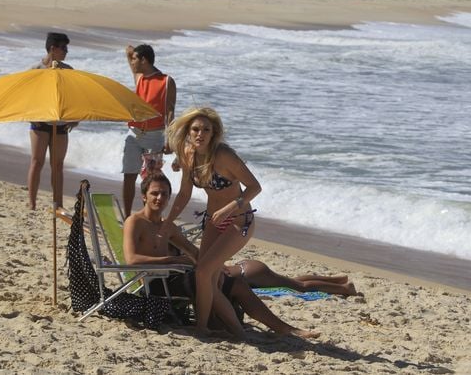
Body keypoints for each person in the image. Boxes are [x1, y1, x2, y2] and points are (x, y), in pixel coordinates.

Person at [123, 173, 319, 340]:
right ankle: (239, 332)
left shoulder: (168, 226)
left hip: (176, 276)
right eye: (154, 193)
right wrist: (173, 260)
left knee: (236, 283)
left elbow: (194, 252)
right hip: (156, 284)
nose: (159, 198)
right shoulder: (135, 222)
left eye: (164, 194)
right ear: (143, 197)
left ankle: (284, 328)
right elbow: (131, 260)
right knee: (207, 280)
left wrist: (215, 264)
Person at [159, 107, 262, 336]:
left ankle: (206, 328)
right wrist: (169, 221)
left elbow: (255, 187)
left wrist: (230, 207)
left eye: (206, 129)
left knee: (204, 272)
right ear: (188, 131)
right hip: (213, 221)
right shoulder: (188, 154)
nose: (200, 134)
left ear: (213, 133)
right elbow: (184, 193)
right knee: (206, 275)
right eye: (195, 129)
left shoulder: (224, 155)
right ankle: (210, 325)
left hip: (238, 221)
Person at [122, 43, 176, 218]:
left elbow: (169, 113)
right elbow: (129, 54)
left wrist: (170, 140)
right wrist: (130, 51)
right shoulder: (138, 76)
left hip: (155, 136)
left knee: (152, 180)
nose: (132, 62)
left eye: (135, 59)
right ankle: (128, 216)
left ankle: (151, 216)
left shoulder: (166, 81)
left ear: (144, 60)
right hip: (134, 133)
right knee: (129, 175)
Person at [27, 32, 75, 210]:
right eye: (63, 48)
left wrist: (75, 119)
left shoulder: (68, 70)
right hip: (40, 122)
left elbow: (73, 97)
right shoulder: (36, 69)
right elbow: (28, 95)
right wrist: (33, 115)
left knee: (58, 165)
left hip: (60, 123)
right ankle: (32, 202)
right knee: (37, 161)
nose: (66, 51)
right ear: (52, 49)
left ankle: (58, 203)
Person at [224, 260, 362, 297]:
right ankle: (335, 280)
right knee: (291, 281)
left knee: (299, 286)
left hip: (248, 274)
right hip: (244, 266)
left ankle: (344, 288)